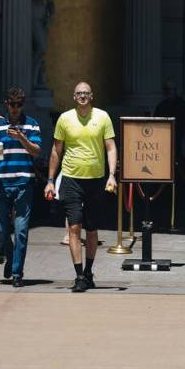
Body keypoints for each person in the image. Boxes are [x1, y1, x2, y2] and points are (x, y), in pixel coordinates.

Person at [45, 82, 117, 293]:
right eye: (79, 94)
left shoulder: (102, 117)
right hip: (71, 179)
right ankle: (78, 276)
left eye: (86, 93)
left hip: (96, 179)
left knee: (92, 229)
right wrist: (50, 180)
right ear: (74, 97)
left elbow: (111, 147)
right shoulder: (65, 118)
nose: (83, 96)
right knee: (74, 227)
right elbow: (56, 151)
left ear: (91, 96)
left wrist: (111, 175)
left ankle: (89, 272)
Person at [0, 87, 41, 287]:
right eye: (12, 104)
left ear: (22, 105)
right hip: (1, 182)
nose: (16, 108)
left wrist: (21, 138)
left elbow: (36, 152)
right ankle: (10, 257)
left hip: (24, 183)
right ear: (6, 104)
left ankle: (17, 273)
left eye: (19, 105)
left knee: (21, 230)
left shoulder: (32, 125)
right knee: (1, 229)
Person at [154, 78, 185, 159]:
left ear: (175, 90)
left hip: (179, 140)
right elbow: (155, 124)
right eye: (167, 89)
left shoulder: (183, 105)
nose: (169, 91)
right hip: (163, 141)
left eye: (171, 89)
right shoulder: (160, 106)